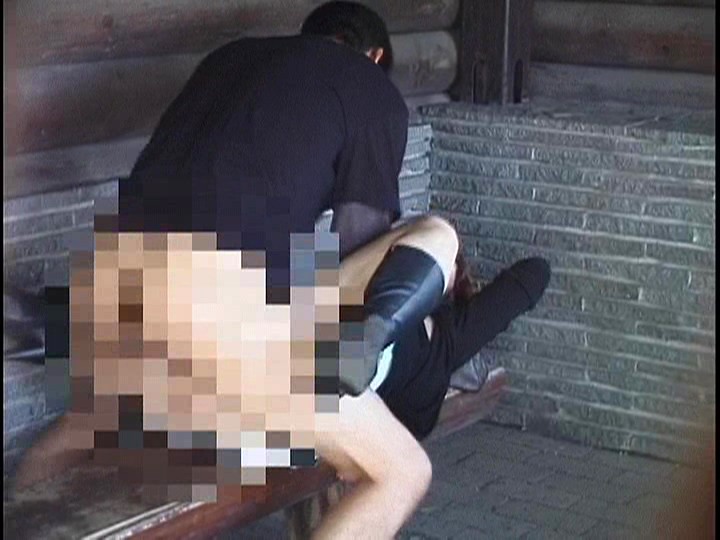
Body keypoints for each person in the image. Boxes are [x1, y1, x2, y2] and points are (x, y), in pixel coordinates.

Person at [15, 3, 459, 539]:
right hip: (221, 310)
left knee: (78, 431)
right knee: (401, 472)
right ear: (376, 56)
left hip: (112, 281)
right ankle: (351, 354)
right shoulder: (369, 87)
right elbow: (360, 237)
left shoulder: (229, 59)